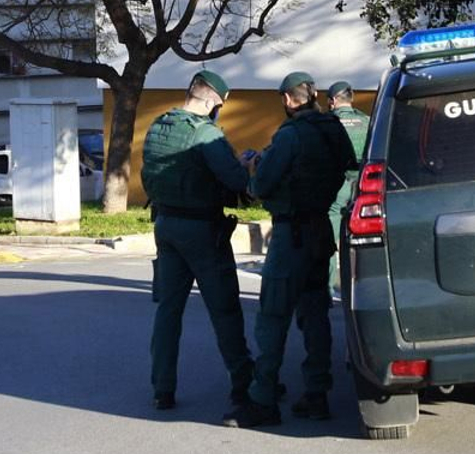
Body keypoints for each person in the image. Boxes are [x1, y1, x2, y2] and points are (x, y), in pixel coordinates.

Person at [223, 71, 357, 428]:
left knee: (273, 317)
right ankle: (317, 393)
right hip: (320, 231)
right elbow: (346, 167)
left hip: (291, 234)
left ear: (287, 99)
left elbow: (262, 185)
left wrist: (253, 167)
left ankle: (262, 399)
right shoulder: (334, 129)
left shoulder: (291, 136)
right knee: (315, 314)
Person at [141, 68, 254, 412]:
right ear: (211, 100)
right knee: (224, 309)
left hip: (166, 225)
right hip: (202, 231)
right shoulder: (205, 134)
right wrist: (244, 163)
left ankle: (163, 388)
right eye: (220, 104)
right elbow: (235, 180)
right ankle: (243, 384)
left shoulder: (160, 125)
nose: (219, 110)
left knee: (168, 310)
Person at [324, 81, 370, 298]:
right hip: (364, 187)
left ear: (332, 101)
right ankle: (364, 288)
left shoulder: (328, 122)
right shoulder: (367, 121)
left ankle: (327, 289)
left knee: (328, 240)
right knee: (364, 238)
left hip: (335, 187)